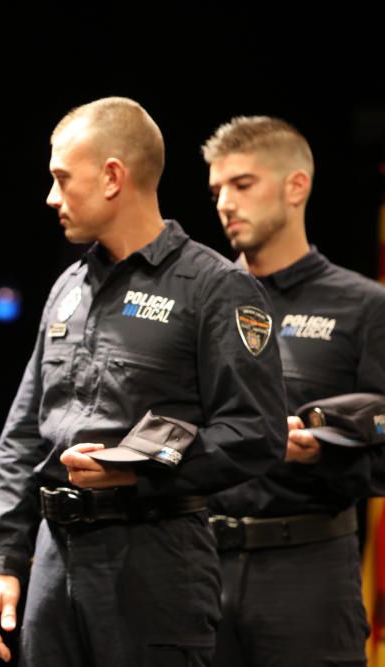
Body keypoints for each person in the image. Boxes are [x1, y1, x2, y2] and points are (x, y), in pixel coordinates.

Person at [0, 97, 288, 667]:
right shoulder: (67, 288)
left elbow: (256, 432)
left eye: (62, 179)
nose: (51, 197)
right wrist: (2, 559)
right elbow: (22, 434)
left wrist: (135, 469)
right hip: (54, 556)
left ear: (113, 177)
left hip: (156, 556)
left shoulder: (215, 289)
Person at [203, 115, 384, 666]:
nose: (224, 204)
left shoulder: (363, 307)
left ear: (295, 186)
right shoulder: (201, 300)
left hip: (308, 567)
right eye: (216, 191)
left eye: (242, 184)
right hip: (196, 565)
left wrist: (322, 453)